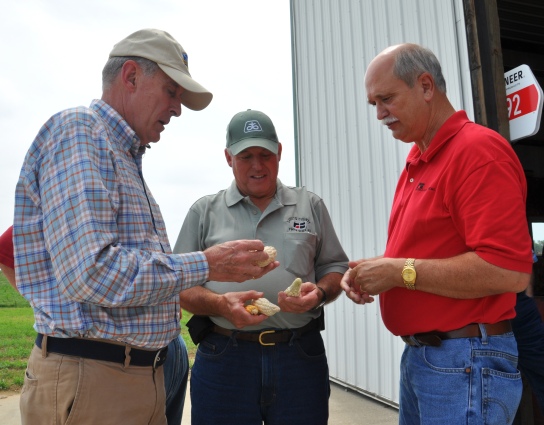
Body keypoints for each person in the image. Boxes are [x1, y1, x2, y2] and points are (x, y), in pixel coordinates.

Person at [13, 29, 278, 425]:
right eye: (172, 92)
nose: (177, 109)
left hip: (129, 376)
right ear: (132, 76)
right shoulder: (80, 132)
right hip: (95, 382)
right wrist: (206, 264)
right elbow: (91, 273)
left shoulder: (121, 155)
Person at [340, 43, 534, 424]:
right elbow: (429, 252)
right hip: (434, 360)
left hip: (464, 361)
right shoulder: (419, 159)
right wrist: (376, 269)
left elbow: (507, 271)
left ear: (426, 86)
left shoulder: (477, 151)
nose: (379, 113)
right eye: (373, 104)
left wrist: (398, 272)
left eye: (387, 99)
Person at [173, 109, 349, 425]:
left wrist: (320, 292)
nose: (257, 165)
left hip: (299, 357)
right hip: (225, 356)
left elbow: (335, 265)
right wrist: (219, 305)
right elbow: (178, 284)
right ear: (228, 157)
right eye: (246, 156)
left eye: (265, 154)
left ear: (279, 152)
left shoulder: (309, 205)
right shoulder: (205, 212)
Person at [0, 224, 189, 425]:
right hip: (109, 359)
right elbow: (6, 248)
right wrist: (48, 305)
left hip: (163, 350)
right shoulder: (79, 208)